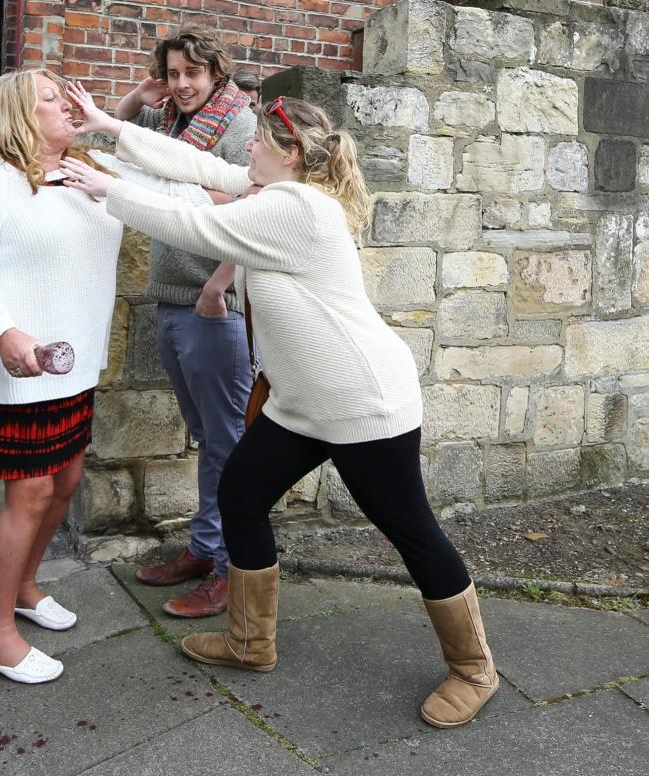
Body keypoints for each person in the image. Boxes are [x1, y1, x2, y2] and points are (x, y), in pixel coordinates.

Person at [62, 86, 499, 730]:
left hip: (361, 404)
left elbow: (198, 223)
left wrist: (109, 192)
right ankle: (250, 641)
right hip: (300, 402)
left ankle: (474, 669)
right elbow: (199, 167)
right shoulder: (277, 191)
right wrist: (110, 128)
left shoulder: (297, 207)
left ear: (289, 152)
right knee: (241, 496)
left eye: (259, 141)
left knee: (410, 530)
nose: (249, 150)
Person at [0, 69, 212, 685]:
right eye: (51, 99)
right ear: (17, 116)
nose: (67, 104)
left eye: (67, 95)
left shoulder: (93, 172)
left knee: (66, 484)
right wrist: (2, 331)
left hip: (74, 365)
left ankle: (26, 589)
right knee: (28, 496)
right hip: (16, 370)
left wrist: (236, 195)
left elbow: (183, 194)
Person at [112, 23, 260, 617]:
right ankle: (205, 548)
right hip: (174, 300)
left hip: (211, 305)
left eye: (191, 74)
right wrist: (135, 97)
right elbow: (117, 137)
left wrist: (219, 286)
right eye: (172, 73)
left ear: (214, 73)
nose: (181, 84)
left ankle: (232, 570)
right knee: (207, 438)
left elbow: (254, 210)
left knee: (227, 442)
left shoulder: (238, 124)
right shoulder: (170, 122)